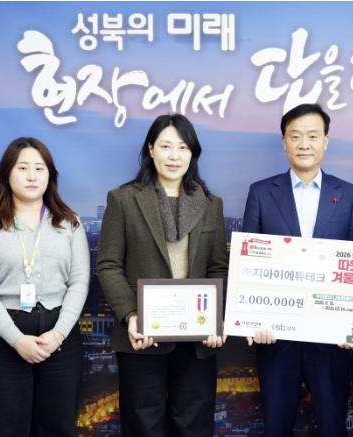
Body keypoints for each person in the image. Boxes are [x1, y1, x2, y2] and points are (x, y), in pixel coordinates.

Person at [96, 114, 228, 437]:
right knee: (144, 426)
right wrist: (131, 315)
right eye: (166, 146)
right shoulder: (123, 200)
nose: (174, 155)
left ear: (192, 153)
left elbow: (218, 268)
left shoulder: (210, 204)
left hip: (197, 340)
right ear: (151, 149)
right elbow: (108, 264)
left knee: (193, 426)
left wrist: (217, 319)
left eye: (183, 147)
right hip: (143, 336)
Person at [242, 103, 353, 437]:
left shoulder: (349, 195)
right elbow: (248, 263)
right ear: (284, 142)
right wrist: (254, 319)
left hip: (332, 340)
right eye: (295, 136)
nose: (304, 144)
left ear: (325, 141)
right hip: (276, 337)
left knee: (332, 427)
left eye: (312, 136)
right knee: (276, 427)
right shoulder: (261, 193)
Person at [0, 137, 90, 436]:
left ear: (50, 175)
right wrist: (16, 340)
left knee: (58, 427)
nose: (32, 176)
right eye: (23, 168)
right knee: (9, 428)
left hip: (59, 336)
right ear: (7, 174)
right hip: (6, 337)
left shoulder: (70, 223)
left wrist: (58, 334)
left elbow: (79, 282)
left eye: (39, 168)